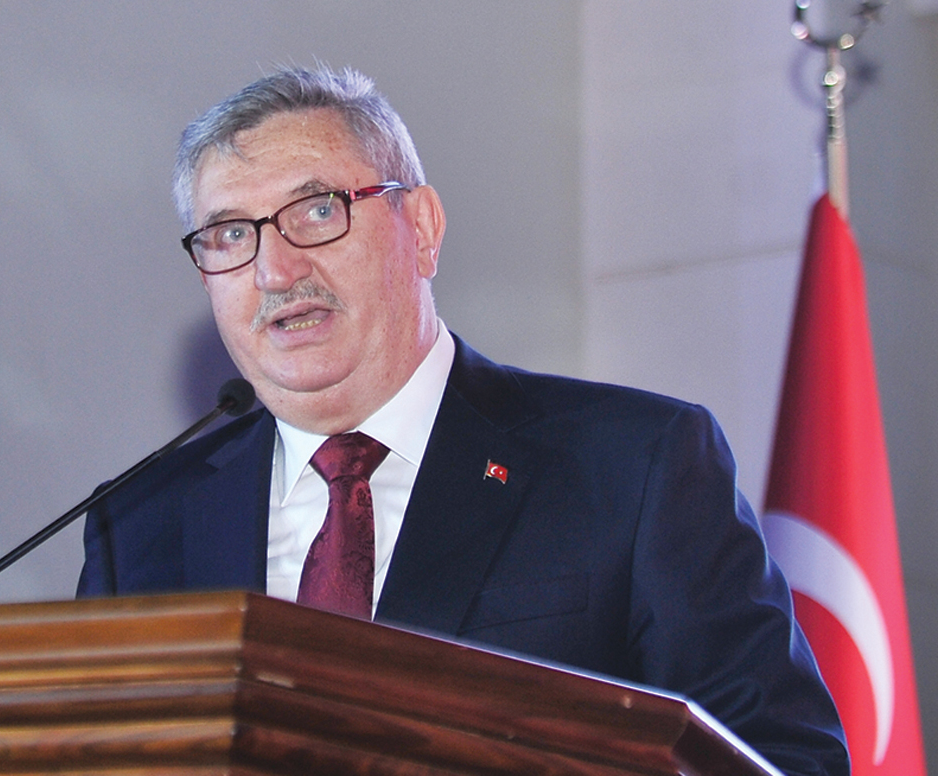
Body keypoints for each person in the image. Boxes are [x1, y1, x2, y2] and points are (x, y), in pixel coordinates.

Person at [78, 64, 849, 776]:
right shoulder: (141, 524)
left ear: (421, 226)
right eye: (231, 235)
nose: (276, 270)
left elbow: (784, 759)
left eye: (318, 211)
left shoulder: (633, 467)